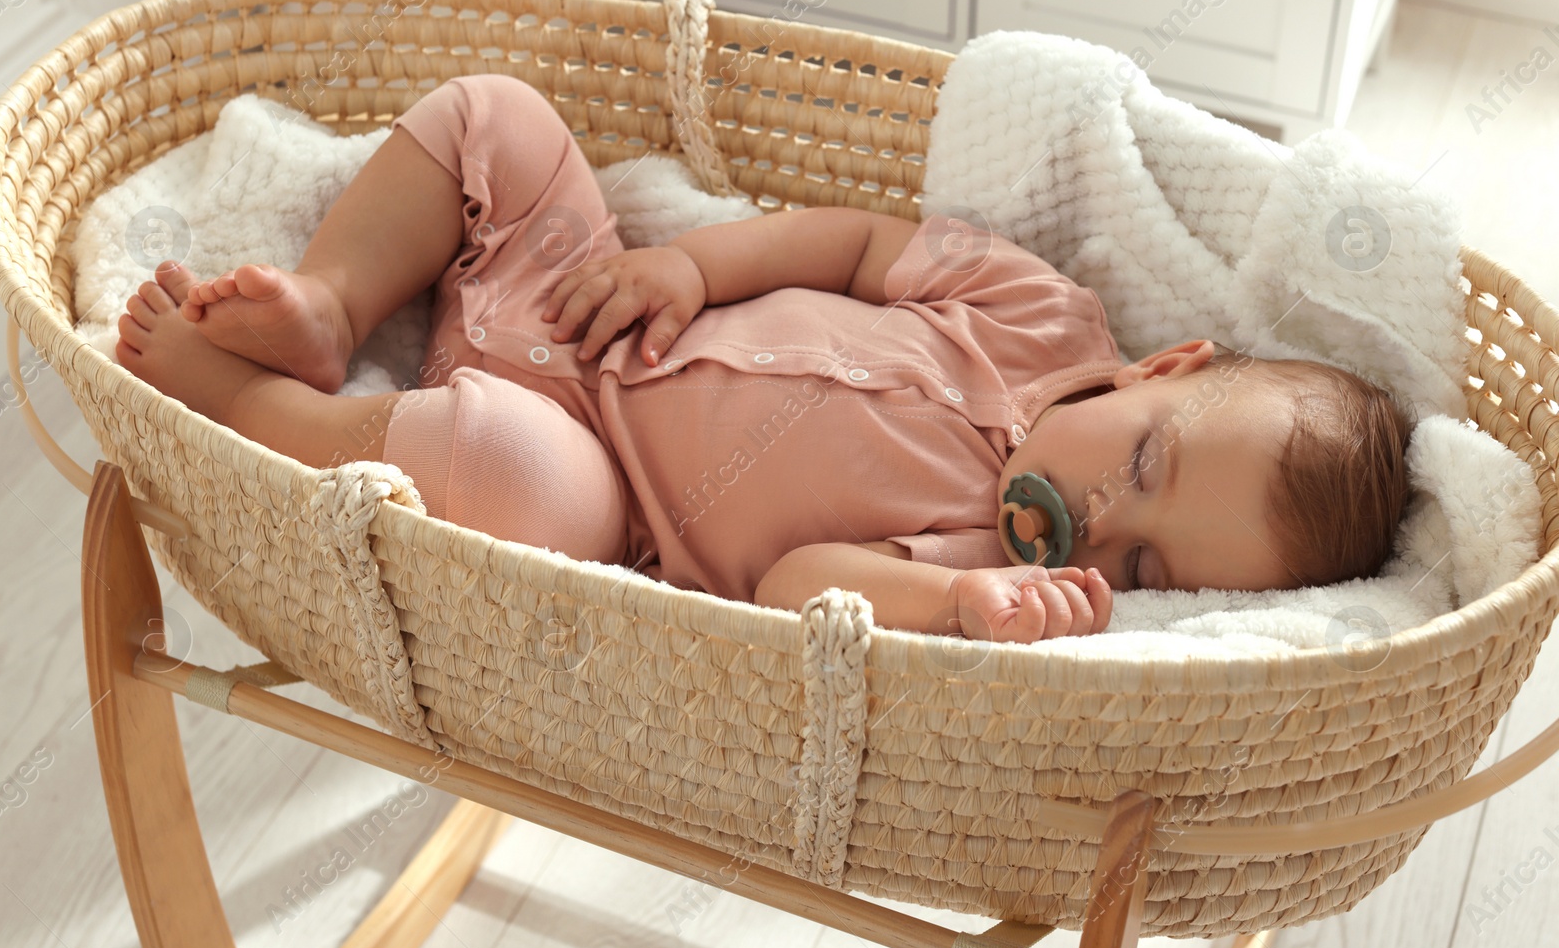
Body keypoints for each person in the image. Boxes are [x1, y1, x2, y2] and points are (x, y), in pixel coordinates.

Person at [112, 74, 1414, 646]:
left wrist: (964, 610)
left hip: (593, 479)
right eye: (1144, 462)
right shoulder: (1043, 315)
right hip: (586, 305)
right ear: (1162, 367)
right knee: (493, 116)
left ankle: (235, 393)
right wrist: (687, 267)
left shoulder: (978, 556)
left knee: (520, 479)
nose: (1099, 523)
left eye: (1140, 566)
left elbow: (797, 586)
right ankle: (337, 309)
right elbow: (853, 246)